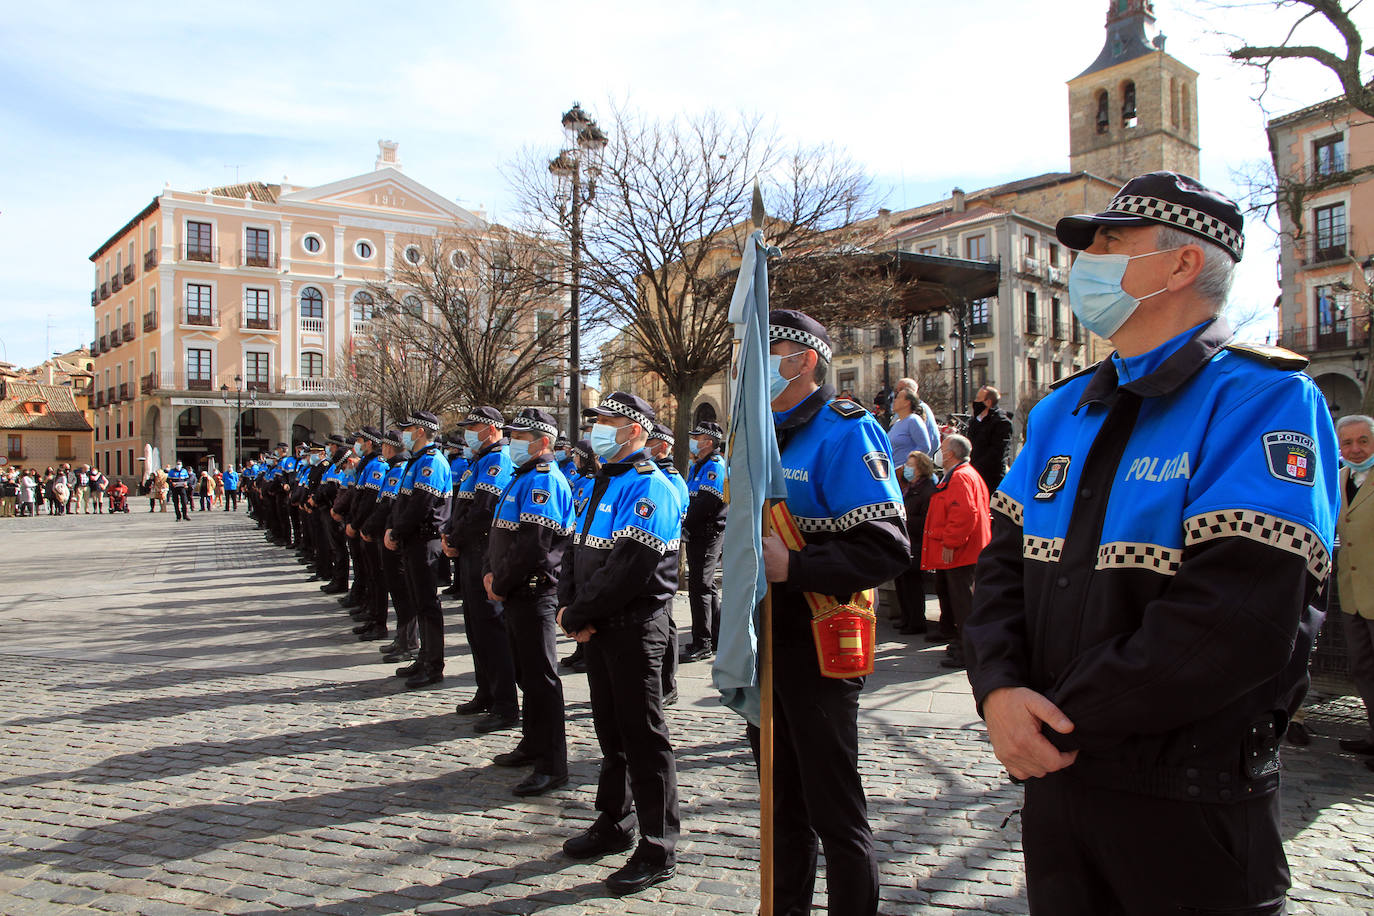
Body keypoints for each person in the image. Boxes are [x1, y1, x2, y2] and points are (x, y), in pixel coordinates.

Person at [963, 171, 1338, 915]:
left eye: (1110, 242)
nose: (1085, 262)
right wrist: (999, 691)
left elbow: (1240, 617)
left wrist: (1055, 716)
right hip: (1058, 785)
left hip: (1187, 798)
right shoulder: (1063, 407)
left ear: (1181, 262)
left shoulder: (1263, 396)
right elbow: (1001, 568)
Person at [759, 309, 911, 916]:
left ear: (805, 359)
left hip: (819, 643)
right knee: (780, 804)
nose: (756, 362)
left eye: (770, 350)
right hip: (765, 640)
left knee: (835, 813)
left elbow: (887, 546)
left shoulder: (845, 429)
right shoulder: (760, 432)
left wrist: (795, 568)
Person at [557, 392, 682, 896]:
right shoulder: (595, 483)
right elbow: (573, 552)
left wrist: (579, 614)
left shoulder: (651, 487)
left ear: (634, 431)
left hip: (633, 627)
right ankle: (615, 819)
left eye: (609, 421)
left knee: (643, 737)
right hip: (598, 627)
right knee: (611, 732)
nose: (598, 430)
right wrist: (571, 612)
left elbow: (629, 568)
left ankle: (658, 845)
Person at [484, 408, 575, 796]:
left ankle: (552, 764)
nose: (513, 440)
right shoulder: (521, 477)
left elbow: (533, 545)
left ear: (542, 442)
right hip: (515, 589)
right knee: (526, 673)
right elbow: (503, 533)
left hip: (534, 591)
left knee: (542, 679)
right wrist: (492, 572)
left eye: (521, 435)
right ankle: (532, 743)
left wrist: (500, 582)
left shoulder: (543, 480)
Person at [444, 406, 518, 725]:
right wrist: (451, 534)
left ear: (490, 430)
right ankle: (485, 691)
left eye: (473, 428)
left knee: (491, 629)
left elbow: (484, 511)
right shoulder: (478, 461)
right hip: (468, 550)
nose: (467, 434)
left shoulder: (497, 460)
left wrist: (456, 537)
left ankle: (504, 702)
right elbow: (464, 505)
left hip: (483, 549)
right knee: (475, 627)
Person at [387, 411, 453, 689]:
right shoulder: (417, 461)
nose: (405, 433)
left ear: (422, 431)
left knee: (427, 604)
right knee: (419, 602)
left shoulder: (431, 462)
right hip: (412, 541)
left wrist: (397, 530)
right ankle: (424, 657)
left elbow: (421, 504)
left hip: (424, 540)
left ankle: (433, 664)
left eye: (409, 428)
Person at [923, 434, 990, 669]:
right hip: (966, 549)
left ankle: (967, 651)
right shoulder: (965, 474)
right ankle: (961, 644)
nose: (939, 453)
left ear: (950, 454)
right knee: (960, 601)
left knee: (963, 604)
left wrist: (951, 543)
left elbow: (964, 513)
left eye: (942, 448)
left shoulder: (961, 477)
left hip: (962, 551)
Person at [1334, 414, 1374, 764]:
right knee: (1364, 668)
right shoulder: (1340, 479)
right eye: (1347, 443)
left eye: (1363, 441)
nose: (1355, 449)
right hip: (1353, 596)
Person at [364, 430, 418, 663]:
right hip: (387, 533)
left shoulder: (399, 469)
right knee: (396, 591)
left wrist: (379, 528)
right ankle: (402, 638)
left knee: (403, 592)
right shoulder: (396, 468)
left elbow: (389, 505)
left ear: (389, 448)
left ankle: (409, 641)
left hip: (395, 537)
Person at [646, 422, 686, 705]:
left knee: (667, 622)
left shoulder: (670, 478)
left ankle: (667, 684)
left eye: (650, 443)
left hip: (663, 556)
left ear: (661, 447)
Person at [681, 421, 726, 661]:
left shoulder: (715, 466)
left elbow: (707, 503)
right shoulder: (699, 465)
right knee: (705, 587)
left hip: (708, 534)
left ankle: (702, 642)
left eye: (697, 437)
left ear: (708, 442)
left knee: (699, 587)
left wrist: (685, 523)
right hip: (698, 534)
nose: (693, 441)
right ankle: (715, 637)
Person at [895, 451, 938, 635]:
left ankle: (916, 621)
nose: (907, 468)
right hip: (906, 541)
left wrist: (905, 520)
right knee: (902, 583)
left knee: (913, 585)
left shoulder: (927, 489)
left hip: (917, 542)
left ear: (921, 468)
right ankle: (906, 618)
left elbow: (927, 520)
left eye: (911, 465)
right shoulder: (909, 488)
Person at [965, 385, 1013, 492]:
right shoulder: (974, 421)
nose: (975, 402)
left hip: (991, 478)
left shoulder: (1002, 422)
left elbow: (998, 452)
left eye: (978, 399)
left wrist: (976, 467)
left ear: (988, 402)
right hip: (974, 475)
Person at [887, 387, 940, 467]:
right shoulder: (897, 424)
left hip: (906, 474)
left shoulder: (913, 420)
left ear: (907, 402)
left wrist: (907, 466)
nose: (894, 401)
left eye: (898, 398)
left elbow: (924, 447)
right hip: (894, 471)